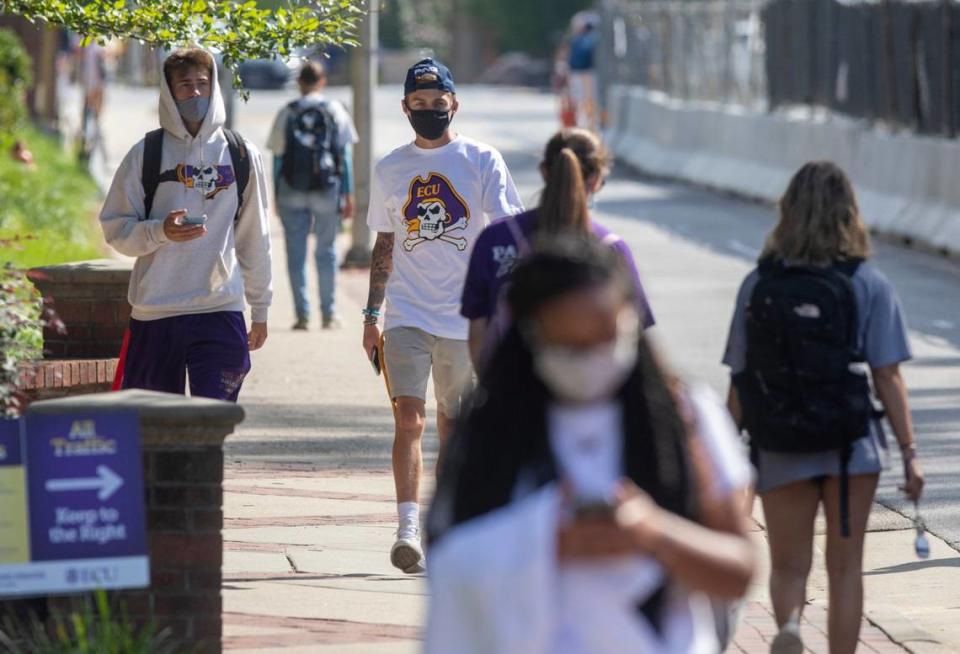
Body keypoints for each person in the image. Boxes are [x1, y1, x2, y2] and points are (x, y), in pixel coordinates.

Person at [426, 237, 756, 653]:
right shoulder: (488, 431)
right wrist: (543, 538)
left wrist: (653, 533)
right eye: (568, 345)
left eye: (604, 338)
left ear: (631, 323)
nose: (589, 360)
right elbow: (446, 562)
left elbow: (739, 570)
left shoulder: (685, 416)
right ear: (530, 336)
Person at [723, 161, 925, 654]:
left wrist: (725, 457)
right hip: (849, 447)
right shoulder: (868, 283)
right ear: (848, 214)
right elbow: (887, 375)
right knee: (845, 567)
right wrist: (910, 451)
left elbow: (741, 378)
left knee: (790, 564)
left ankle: (790, 624)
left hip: (780, 444)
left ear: (787, 212)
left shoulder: (759, 284)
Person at [361, 58, 524, 574]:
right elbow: (384, 244)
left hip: (465, 319)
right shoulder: (390, 167)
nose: (429, 110)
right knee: (408, 420)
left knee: (454, 428)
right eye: (419, 102)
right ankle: (407, 528)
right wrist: (371, 314)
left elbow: (509, 234)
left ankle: (448, 524)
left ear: (454, 103)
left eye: (438, 103)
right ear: (405, 105)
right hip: (407, 314)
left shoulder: (481, 160)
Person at [100, 47, 272, 402]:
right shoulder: (145, 154)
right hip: (156, 310)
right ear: (168, 91)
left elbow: (255, 236)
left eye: (202, 84)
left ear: (214, 88)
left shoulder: (240, 154)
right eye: (184, 85)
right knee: (156, 430)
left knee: (213, 419)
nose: (194, 93)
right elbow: (116, 228)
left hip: (219, 308)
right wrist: (160, 231)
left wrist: (260, 308)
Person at [461, 127, 655, 368]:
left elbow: (478, 332)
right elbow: (636, 333)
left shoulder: (495, 239)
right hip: (590, 393)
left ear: (544, 171)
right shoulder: (610, 248)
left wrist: (494, 397)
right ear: (595, 181)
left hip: (512, 393)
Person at [267, 60, 358, 330]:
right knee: (326, 251)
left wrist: (277, 192)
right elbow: (345, 156)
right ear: (322, 82)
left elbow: (278, 157)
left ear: (299, 83)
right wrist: (348, 193)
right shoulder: (334, 110)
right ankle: (329, 314)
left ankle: (302, 315)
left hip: (291, 191)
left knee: (295, 253)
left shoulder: (288, 112)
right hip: (326, 189)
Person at [567, 12, 600, 132]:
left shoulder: (577, 40)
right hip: (588, 73)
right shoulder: (593, 39)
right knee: (588, 100)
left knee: (583, 101)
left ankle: (584, 125)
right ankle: (588, 125)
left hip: (580, 73)